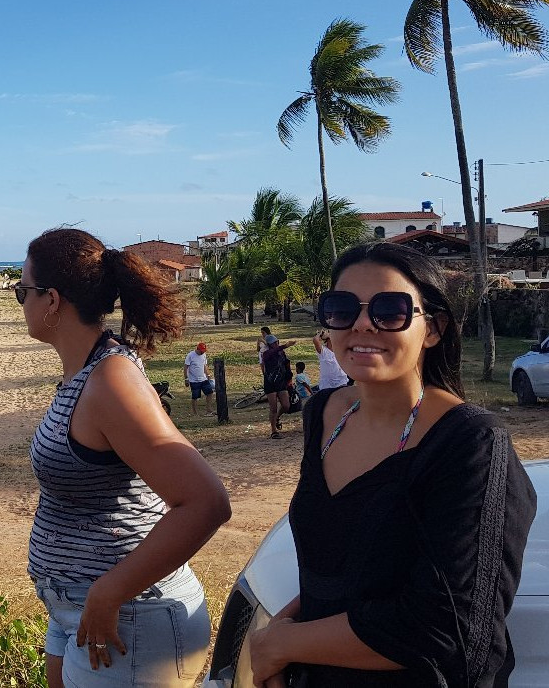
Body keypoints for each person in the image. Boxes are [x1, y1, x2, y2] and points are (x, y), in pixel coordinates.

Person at [249, 242, 537, 687]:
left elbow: (449, 632)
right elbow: (337, 569)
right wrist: (285, 630)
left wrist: (284, 645)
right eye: (342, 308)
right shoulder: (322, 414)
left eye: (391, 309)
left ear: (434, 329)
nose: (363, 323)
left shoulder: (471, 444)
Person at [19, 228, 230, 687]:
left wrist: (109, 591)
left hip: (130, 615)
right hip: (80, 609)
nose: (22, 303)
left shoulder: (111, 381)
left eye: (23, 292)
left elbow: (205, 502)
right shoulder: (85, 372)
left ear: (51, 300)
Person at [261, 334, 294, 439]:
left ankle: (277, 418)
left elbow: (286, 365)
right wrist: (284, 346)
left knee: (286, 405)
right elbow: (268, 355)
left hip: (280, 381)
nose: (276, 344)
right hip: (270, 382)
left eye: (277, 342)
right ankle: (273, 430)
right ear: (270, 345)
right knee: (273, 407)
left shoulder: (281, 352)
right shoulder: (266, 353)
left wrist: (289, 379)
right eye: (274, 343)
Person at [184, 341, 214, 416]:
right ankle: (195, 413)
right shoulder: (190, 355)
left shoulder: (204, 355)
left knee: (209, 393)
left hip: (203, 379)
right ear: (197, 349)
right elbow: (185, 367)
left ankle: (209, 410)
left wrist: (208, 374)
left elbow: (204, 365)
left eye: (204, 351)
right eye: (201, 351)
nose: (202, 353)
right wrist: (186, 379)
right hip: (194, 380)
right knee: (195, 397)